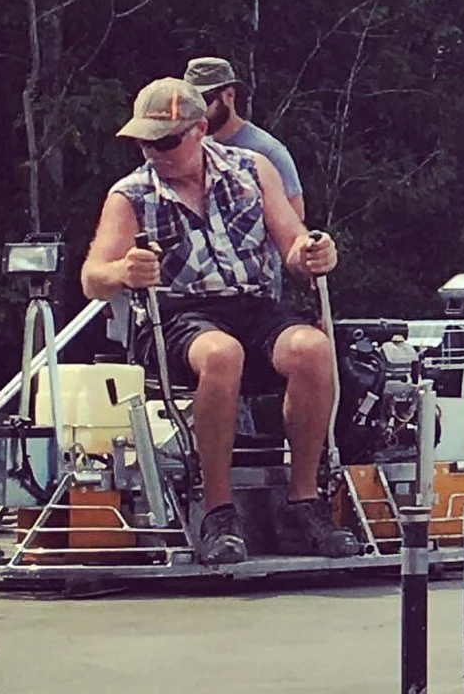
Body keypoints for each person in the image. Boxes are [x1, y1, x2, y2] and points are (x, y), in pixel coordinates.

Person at [80, 77, 360, 565]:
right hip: (176, 316)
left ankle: (303, 502)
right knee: (221, 354)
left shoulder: (253, 170)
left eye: (166, 142)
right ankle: (218, 511)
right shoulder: (130, 195)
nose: (155, 154)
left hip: (250, 305)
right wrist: (123, 271)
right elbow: (92, 277)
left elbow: (291, 242)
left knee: (313, 348)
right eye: (145, 142)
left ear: (200, 130)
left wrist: (313, 252)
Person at [183, 54, 306, 222]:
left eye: (205, 100)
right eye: (191, 104)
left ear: (229, 95)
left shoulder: (267, 150)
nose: (199, 112)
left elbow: (296, 215)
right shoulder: (195, 147)